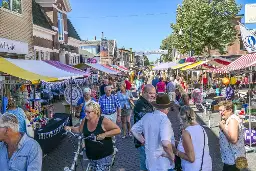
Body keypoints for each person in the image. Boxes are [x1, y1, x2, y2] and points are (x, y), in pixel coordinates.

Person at [65, 101, 121, 170]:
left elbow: (118, 130)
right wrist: (70, 128)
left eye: (88, 112)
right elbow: (79, 130)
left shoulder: (103, 121)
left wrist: (104, 134)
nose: (86, 114)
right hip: (90, 156)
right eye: (85, 111)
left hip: (103, 157)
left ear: (96, 112)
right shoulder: (85, 120)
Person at [132, 94, 175, 171]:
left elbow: (133, 129)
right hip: (163, 164)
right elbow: (165, 143)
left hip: (150, 161)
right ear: (166, 107)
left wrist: (143, 140)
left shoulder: (147, 116)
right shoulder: (164, 120)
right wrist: (172, 157)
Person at [174, 106, 212, 171]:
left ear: (181, 118)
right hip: (206, 166)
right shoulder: (201, 128)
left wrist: (175, 151)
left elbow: (191, 159)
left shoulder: (186, 132)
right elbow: (195, 145)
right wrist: (176, 142)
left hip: (193, 168)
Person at [133, 84, 156, 171]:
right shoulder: (141, 105)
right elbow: (147, 124)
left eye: (154, 93)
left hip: (146, 140)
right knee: (146, 166)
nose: (153, 95)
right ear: (143, 93)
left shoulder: (147, 103)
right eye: (150, 93)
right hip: (144, 141)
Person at [218, 101, 246, 171]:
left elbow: (233, 139)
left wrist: (223, 127)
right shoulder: (229, 119)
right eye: (219, 110)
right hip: (231, 158)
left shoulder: (232, 120)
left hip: (233, 159)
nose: (220, 113)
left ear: (230, 110)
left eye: (222, 110)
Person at [99, 86, 121, 151]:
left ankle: (113, 146)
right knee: (104, 130)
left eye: (109, 90)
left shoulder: (114, 97)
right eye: (107, 90)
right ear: (105, 91)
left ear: (111, 90)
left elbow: (119, 106)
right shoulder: (101, 98)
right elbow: (99, 108)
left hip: (113, 115)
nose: (108, 91)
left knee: (113, 130)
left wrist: (119, 116)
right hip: (104, 115)